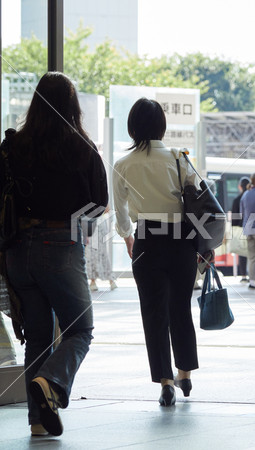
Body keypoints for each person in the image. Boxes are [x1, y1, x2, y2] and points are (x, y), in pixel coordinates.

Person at [0, 72, 108, 436]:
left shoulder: (13, 146)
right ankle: (50, 380)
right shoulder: (81, 147)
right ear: (72, 105)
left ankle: (37, 423)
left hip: (18, 252)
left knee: (39, 336)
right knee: (81, 330)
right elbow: (99, 203)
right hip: (60, 246)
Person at [113, 98, 210, 406]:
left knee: (153, 313)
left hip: (147, 240)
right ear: (161, 126)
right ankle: (185, 374)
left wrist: (128, 237)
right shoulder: (178, 157)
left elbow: (120, 211)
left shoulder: (122, 164)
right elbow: (198, 196)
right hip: (181, 240)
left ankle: (165, 382)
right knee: (180, 307)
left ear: (132, 127)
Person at [85, 206, 118, 292]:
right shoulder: (100, 194)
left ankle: (93, 281)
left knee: (92, 253)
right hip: (98, 223)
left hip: (93, 224)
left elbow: (107, 209)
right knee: (100, 252)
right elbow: (107, 209)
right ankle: (110, 281)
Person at [231, 176, 250, 282]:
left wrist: (234, 229)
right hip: (253, 228)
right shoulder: (252, 198)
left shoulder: (237, 200)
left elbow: (234, 217)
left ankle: (243, 276)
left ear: (240, 187)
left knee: (242, 252)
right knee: (252, 252)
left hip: (240, 228)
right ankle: (252, 277)